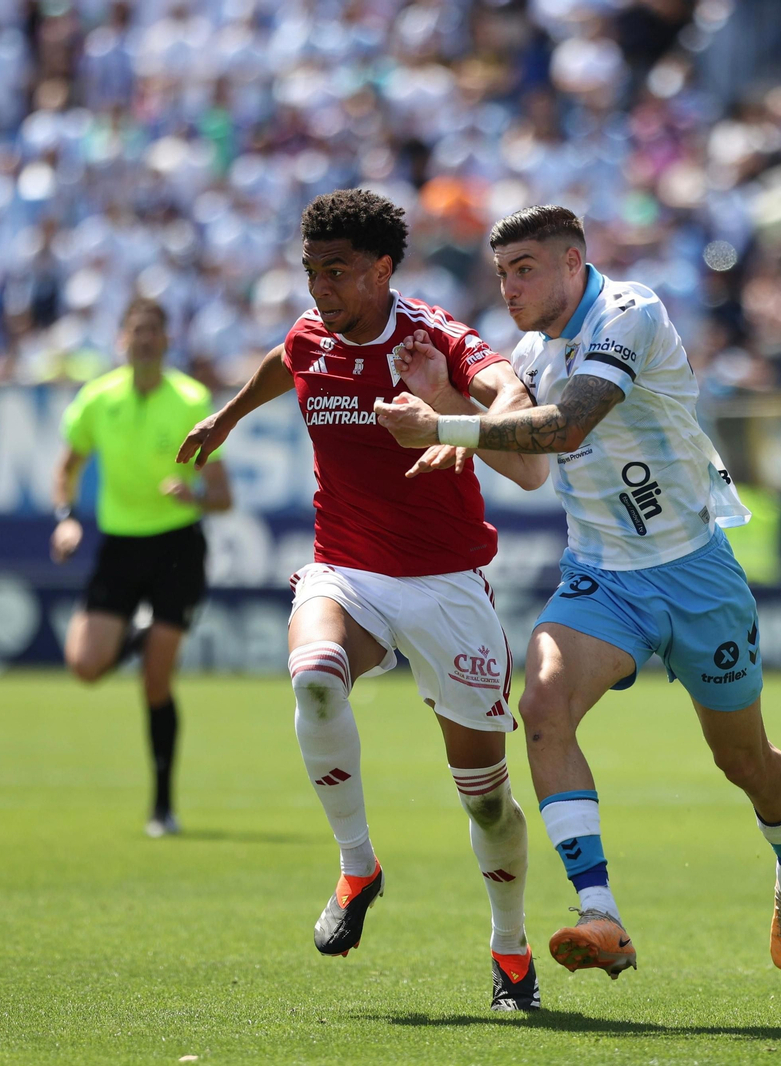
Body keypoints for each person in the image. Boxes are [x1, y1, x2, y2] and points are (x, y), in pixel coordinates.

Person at [375, 205, 781, 978]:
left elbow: (567, 427)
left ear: (573, 263)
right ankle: (599, 911)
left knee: (744, 760)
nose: (510, 288)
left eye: (525, 270)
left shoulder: (629, 312)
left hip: (694, 572)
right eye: (502, 273)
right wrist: (446, 399)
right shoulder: (529, 353)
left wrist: (446, 428)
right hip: (602, 579)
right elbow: (529, 468)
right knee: (543, 707)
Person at [175, 189, 550, 1011]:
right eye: (312, 271)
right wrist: (227, 418)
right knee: (314, 676)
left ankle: (511, 948)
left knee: (488, 804)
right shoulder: (312, 333)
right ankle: (357, 866)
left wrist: (455, 420)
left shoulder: (432, 337)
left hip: (447, 585)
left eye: (337, 272)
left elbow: (511, 394)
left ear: (382, 270)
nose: (321, 288)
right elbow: (287, 359)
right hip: (347, 571)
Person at [51, 297, 233, 838]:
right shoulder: (97, 398)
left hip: (177, 547)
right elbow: (67, 467)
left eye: (154, 330)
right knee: (85, 666)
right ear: (121, 340)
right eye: (136, 331)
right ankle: (138, 633)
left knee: (157, 681)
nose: (145, 340)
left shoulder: (191, 399)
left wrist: (192, 496)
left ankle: (162, 806)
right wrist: (65, 519)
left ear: (167, 340)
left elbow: (223, 496)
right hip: (120, 547)